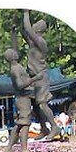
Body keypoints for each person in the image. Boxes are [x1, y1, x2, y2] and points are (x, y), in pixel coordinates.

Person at [21, 11, 61, 141]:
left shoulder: (40, 41)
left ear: (39, 29)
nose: (33, 25)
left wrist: (26, 12)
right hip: (33, 77)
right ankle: (44, 128)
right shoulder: (33, 42)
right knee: (35, 105)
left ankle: (54, 127)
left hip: (40, 77)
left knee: (42, 104)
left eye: (36, 24)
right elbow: (24, 31)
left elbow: (27, 29)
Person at [3, 47, 45, 152]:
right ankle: (23, 149)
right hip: (22, 98)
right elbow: (20, 85)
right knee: (25, 123)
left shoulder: (17, 67)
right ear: (11, 56)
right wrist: (35, 78)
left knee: (20, 124)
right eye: (14, 53)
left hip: (26, 96)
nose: (16, 53)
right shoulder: (15, 69)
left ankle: (9, 148)